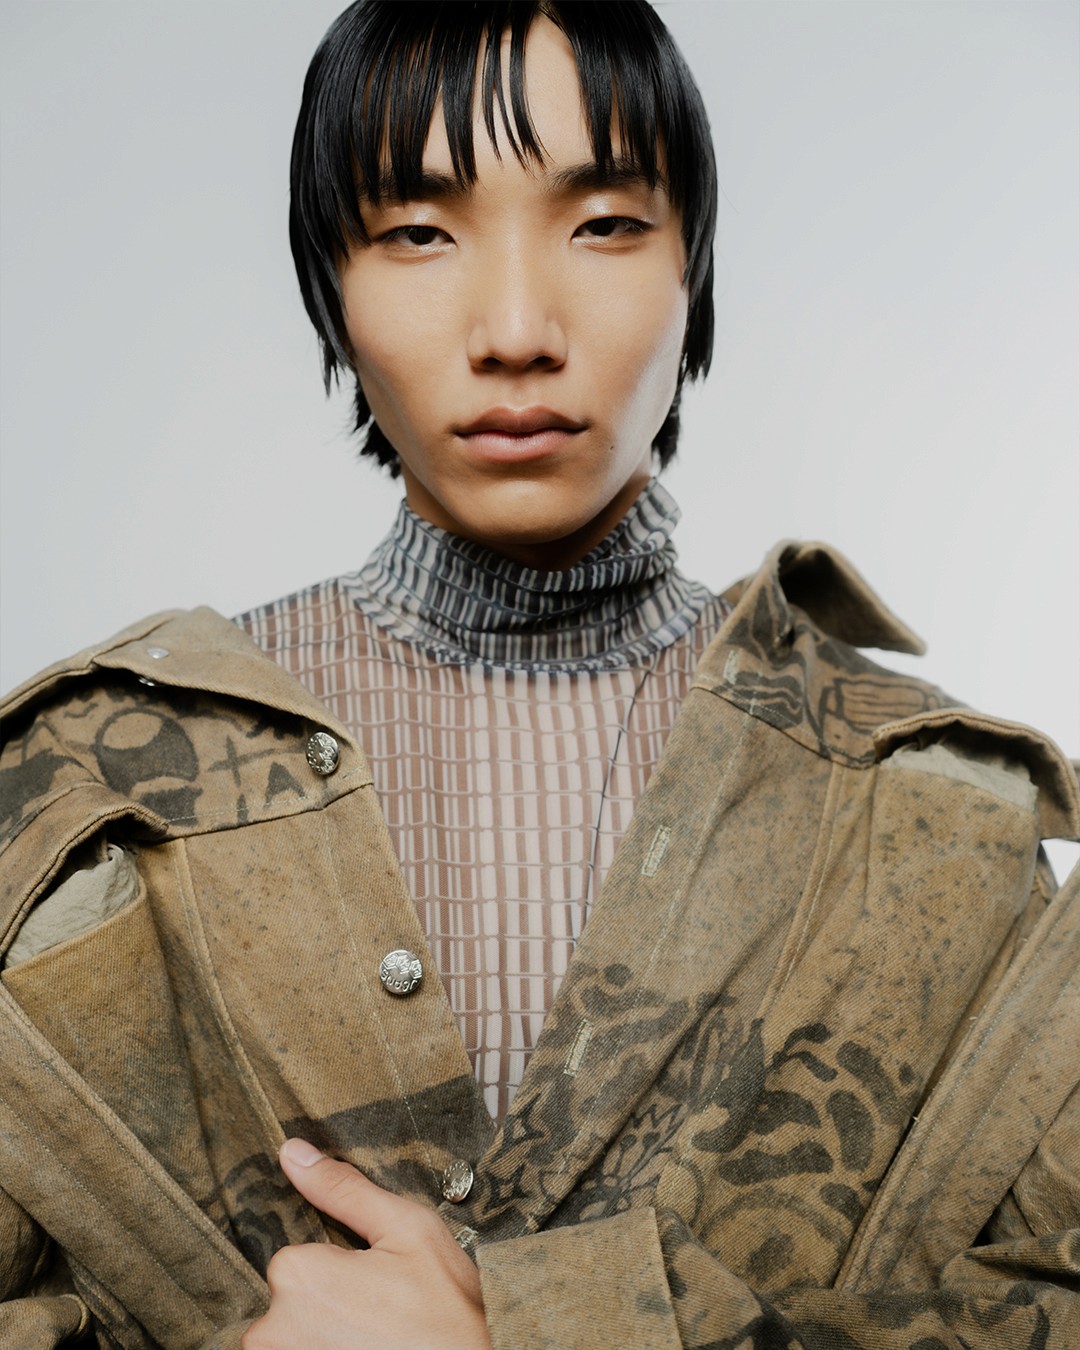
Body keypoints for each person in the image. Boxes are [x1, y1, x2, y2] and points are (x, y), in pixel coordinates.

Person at [0, 2, 1077, 1347]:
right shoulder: (89, 783)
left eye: (605, 224)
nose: (515, 328)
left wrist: (520, 1333)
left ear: (695, 267)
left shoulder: (927, 813)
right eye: (418, 232)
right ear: (330, 284)